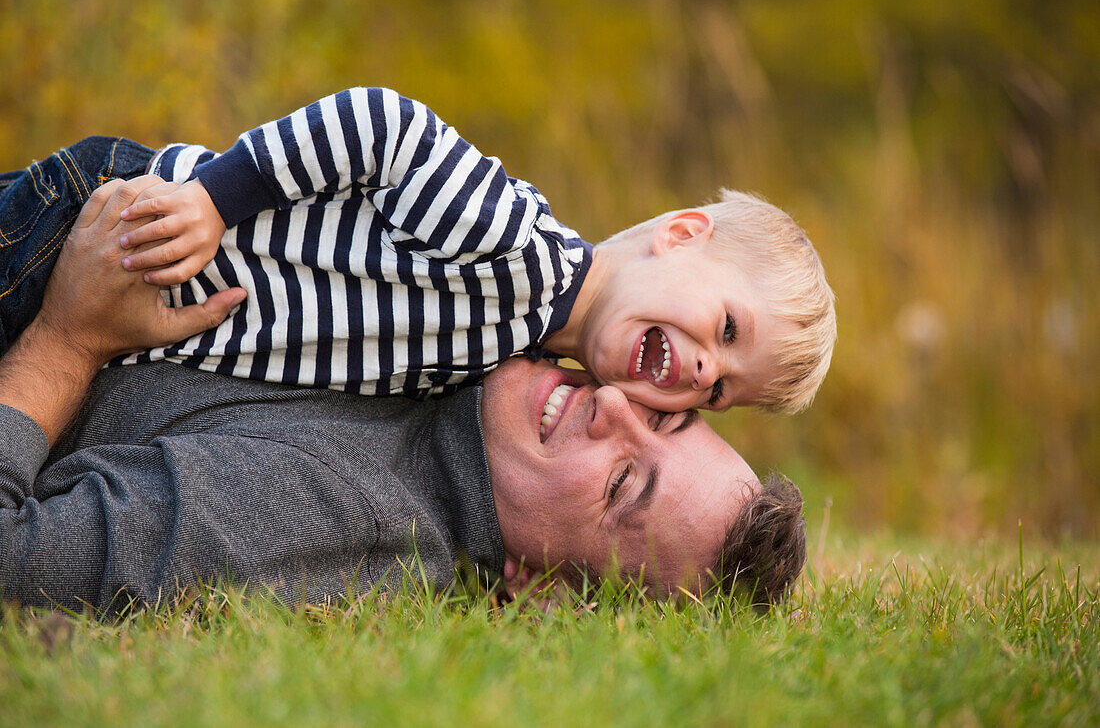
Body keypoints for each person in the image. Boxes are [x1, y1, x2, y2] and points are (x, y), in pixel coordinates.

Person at [0, 177, 807, 614]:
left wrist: (67, 339)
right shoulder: (467, 348)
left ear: (541, 585)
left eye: (623, 481)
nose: (615, 405)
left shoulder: (323, 508)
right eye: (665, 412)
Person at [0, 87, 835, 415]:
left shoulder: (524, 342)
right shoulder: (524, 257)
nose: (700, 374)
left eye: (725, 393)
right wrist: (219, 200)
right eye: (727, 330)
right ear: (681, 233)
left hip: (127, 304)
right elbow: (385, 126)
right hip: (117, 228)